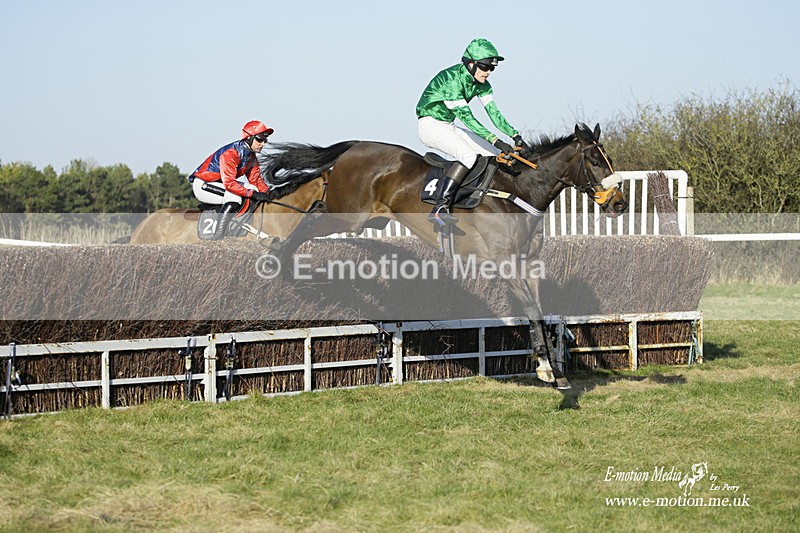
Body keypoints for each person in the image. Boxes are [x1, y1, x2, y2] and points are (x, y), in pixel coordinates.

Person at [416, 38, 525, 224]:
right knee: (468, 156)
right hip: (430, 126)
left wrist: (514, 135)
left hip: (448, 125)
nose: (488, 72)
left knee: (495, 154)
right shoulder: (451, 81)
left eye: (492, 68)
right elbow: (467, 118)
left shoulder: (483, 85)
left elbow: (494, 113)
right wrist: (496, 139)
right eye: (485, 66)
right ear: (471, 63)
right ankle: (440, 207)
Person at [188, 120, 273, 239]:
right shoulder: (231, 153)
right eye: (260, 140)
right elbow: (229, 183)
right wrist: (252, 194)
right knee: (234, 197)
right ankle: (218, 237)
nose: (263, 144)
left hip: (220, 184)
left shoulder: (251, 157)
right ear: (249, 138)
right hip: (204, 184)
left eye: (265, 140)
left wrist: (268, 194)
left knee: (253, 188)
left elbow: (256, 181)